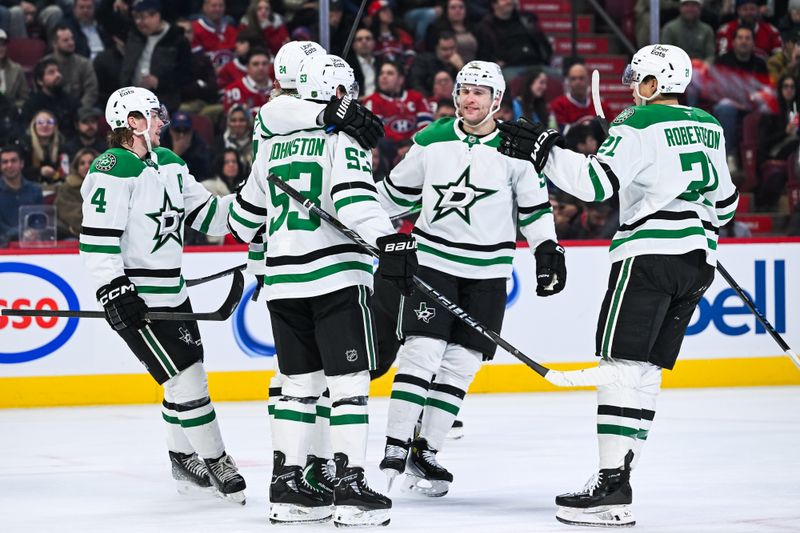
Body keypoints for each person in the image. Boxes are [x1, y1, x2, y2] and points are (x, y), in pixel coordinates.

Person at [497, 43, 739, 527]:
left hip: (647, 257)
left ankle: (611, 484)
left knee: (619, 367)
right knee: (646, 371)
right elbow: (727, 205)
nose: (632, 87)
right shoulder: (710, 125)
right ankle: (621, 475)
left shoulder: (636, 122)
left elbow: (595, 185)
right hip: (698, 261)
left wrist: (546, 153)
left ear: (655, 83)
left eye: (638, 79)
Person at [228, 53, 414, 527]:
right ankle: (350, 487)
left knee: (297, 386)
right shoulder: (342, 142)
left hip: (284, 282)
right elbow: (356, 203)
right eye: (346, 91)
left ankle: (287, 488)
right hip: (335, 280)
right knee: (348, 386)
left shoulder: (269, 149)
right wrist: (388, 243)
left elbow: (242, 221)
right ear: (335, 93)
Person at [376, 60, 565, 497]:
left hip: (488, 274)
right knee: (421, 353)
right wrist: (356, 214)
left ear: (497, 100)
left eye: (480, 92)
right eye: (464, 90)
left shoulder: (516, 148)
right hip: (432, 263)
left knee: (462, 364)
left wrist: (547, 248)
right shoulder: (432, 138)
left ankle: (426, 451)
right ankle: (394, 447)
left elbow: (535, 209)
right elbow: (393, 195)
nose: (469, 99)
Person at [79, 86, 246, 503]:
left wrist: (257, 201)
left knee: (182, 377)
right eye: (152, 115)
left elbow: (211, 215)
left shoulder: (169, 163)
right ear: (132, 122)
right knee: (188, 380)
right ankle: (217, 460)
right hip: (138, 296)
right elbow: (97, 239)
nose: (161, 121)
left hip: (174, 291)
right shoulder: (111, 167)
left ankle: (180, 457)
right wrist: (113, 289)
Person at [119, 0, 192, 112]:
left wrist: (159, 82)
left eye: (143, 18)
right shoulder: (134, 35)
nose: (139, 22)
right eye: (136, 18)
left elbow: (186, 74)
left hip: (163, 103)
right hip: (131, 101)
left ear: (157, 16)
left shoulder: (176, 40)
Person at [0, 145, 43, 247]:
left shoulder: (35, 190)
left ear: (21, 163)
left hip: (31, 244)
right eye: (5, 162)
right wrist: (19, 233)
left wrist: (35, 230)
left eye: (13, 161)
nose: (9, 165)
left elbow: (40, 218)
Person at [55, 147, 98, 238]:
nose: (87, 166)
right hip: (73, 235)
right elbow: (70, 215)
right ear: (76, 167)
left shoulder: (108, 186)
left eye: (91, 162)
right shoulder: (67, 188)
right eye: (82, 163)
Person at [222, 47, 272, 116]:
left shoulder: (281, 87)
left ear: (270, 65)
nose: (261, 68)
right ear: (247, 67)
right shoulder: (234, 89)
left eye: (264, 64)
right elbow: (233, 121)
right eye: (255, 64)